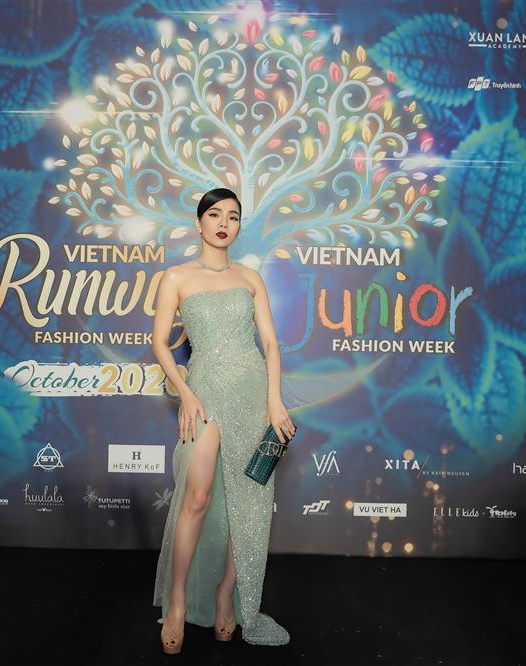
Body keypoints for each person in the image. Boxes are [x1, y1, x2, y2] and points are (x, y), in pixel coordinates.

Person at [150, 188, 295, 654]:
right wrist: (185, 392)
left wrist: (275, 402)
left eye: (232, 217)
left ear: (238, 226)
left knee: (245, 504)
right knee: (197, 496)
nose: (223, 224)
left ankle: (225, 599)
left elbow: (269, 344)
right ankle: (176, 602)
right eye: (214, 215)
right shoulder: (176, 276)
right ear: (199, 223)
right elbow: (159, 343)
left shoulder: (250, 278)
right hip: (205, 390)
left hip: (252, 393)